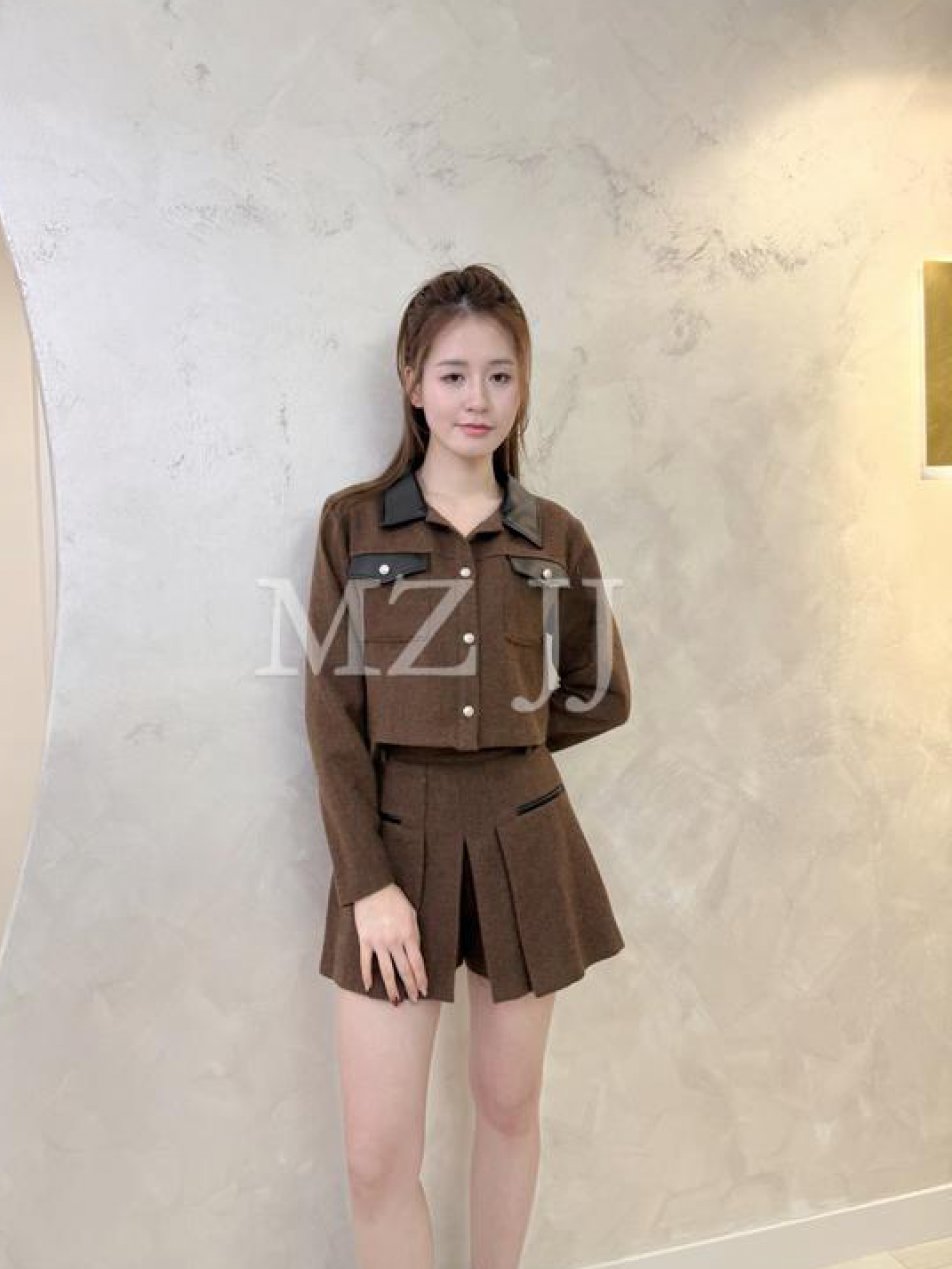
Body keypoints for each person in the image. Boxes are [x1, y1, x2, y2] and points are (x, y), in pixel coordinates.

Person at [303, 263, 632, 1269]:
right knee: (375, 1158)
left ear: (523, 385)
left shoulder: (555, 535)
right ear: (413, 383)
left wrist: (505, 741)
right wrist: (368, 884)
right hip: (391, 847)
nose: (475, 399)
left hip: (524, 840)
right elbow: (332, 716)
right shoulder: (354, 524)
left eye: (499, 374)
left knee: (507, 1108)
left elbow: (602, 690)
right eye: (452, 375)